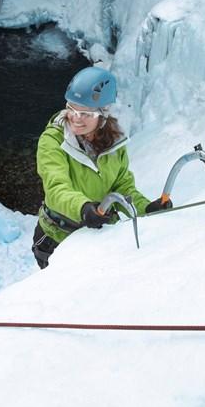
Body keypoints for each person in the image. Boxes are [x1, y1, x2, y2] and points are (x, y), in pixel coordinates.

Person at [32, 67, 172, 268]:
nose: (76, 118)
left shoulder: (114, 143)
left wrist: (146, 208)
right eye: (71, 109)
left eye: (85, 113)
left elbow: (122, 187)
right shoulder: (53, 141)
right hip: (59, 239)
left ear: (103, 114)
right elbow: (56, 189)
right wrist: (83, 208)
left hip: (100, 238)